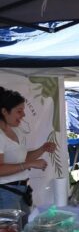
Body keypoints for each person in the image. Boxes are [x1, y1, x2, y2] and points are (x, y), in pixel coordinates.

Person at [0, 87, 54, 216]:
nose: (23, 115)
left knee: (23, 231)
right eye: (19, 111)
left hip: (21, 190)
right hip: (5, 193)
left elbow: (22, 158)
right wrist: (29, 165)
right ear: (4, 111)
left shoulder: (16, 130)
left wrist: (42, 149)